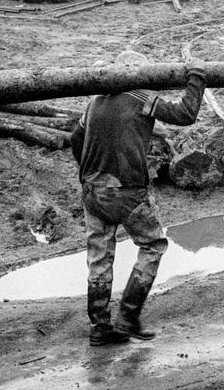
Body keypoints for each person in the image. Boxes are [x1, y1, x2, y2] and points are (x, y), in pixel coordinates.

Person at [70, 51, 207, 346]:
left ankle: (101, 327)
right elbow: (185, 114)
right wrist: (197, 77)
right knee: (153, 245)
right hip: (127, 191)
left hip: (92, 190)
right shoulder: (143, 97)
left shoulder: (95, 101)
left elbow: (74, 139)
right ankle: (129, 316)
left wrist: (87, 170)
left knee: (99, 257)